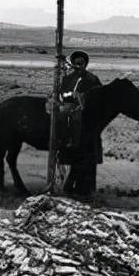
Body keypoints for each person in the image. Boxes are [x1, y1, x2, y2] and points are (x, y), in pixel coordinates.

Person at [57, 50, 103, 196]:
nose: (78, 66)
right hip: (70, 111)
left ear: (85, 64)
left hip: (88, 114)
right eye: (76, 64)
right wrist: (71, 95)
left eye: (81, 64)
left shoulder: (92, 79)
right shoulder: (68, 79)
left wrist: (84, 98)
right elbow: (62, 94)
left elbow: (99, 95)